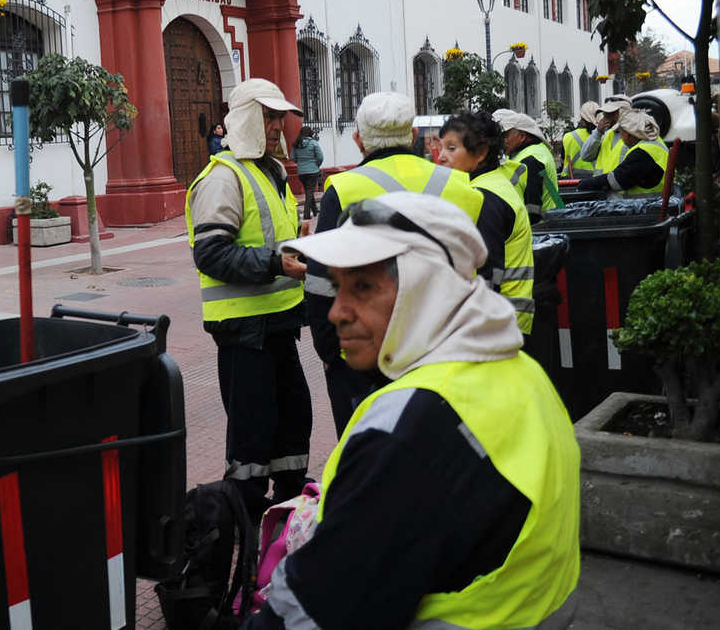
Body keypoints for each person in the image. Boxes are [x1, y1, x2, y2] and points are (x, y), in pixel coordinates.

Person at [243, 192, 579, 629]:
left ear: (427, 290)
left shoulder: (407, 426)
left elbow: (313, 613)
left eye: (363, 287)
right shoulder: (520, 370)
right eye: (339, 287)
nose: (337, 313)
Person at [308, 92, 483, 436]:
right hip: (444, 345)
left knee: (369, 456)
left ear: (359, 140)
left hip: (370, 352)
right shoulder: (461, 185)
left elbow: (319, 283)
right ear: (413, 136)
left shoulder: (342, 189)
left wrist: (330, 352)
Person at [185, 77, 312, 522]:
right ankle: (244, 531)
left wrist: (298, 245)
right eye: (270, 115)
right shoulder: (223, 177)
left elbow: (270, 240)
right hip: (244, 333)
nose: (279, 124)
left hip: (278, 325)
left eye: (281, 116)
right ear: (246, 119)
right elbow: (212, 253)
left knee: (293, 431)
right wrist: (278, 262)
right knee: (252, 444)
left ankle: (289, 521)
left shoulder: (270, 171)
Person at [438, 111, 535, 335]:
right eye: (441, 147)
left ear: (481, 152)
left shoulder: (485, 197)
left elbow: (488, 274)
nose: (441, 156)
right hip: (507, 318)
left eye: (451, 148)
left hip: (497, 324)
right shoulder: (494, 184)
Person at [578, 108, 668, 197]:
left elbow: (617, 180)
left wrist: (584, 184)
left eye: (621, 133)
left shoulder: (643, 152)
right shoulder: (654, 144)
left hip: (649, 208)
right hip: (655, 204)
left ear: (628, 133)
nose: (621, 138)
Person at [498, 111, 560, 221]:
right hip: (550, 219)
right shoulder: (537, 151)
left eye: (506, 136)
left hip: (540, 227)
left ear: (522, 136)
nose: (503, 141)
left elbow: (532, 209)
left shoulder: (530, 160)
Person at [577, 97, 633, 175]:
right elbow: (585, 156)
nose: (605, 117)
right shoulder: (606, 134)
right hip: (601, 185)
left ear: (621, 113)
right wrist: (598, 132)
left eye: (609, 113)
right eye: (604, 113)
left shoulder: (634, 136)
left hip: (619, 185)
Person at [290, 126, 325, 220]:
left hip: (301, 172)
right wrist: (316, 164)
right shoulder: (314, 143)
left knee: (308, 191)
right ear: (310, 133)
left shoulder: (296, 144)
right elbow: (320, 157)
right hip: (313, 171)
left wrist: (300, 163)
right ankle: (306, 214)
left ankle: (315, 211)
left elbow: (292, 157)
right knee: (309, 192)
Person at [563, 101, 599, 178]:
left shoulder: (568, 137)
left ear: (582, 118)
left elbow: (563, 159)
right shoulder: (603, 137)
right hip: (596, 180)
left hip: (570, 182)